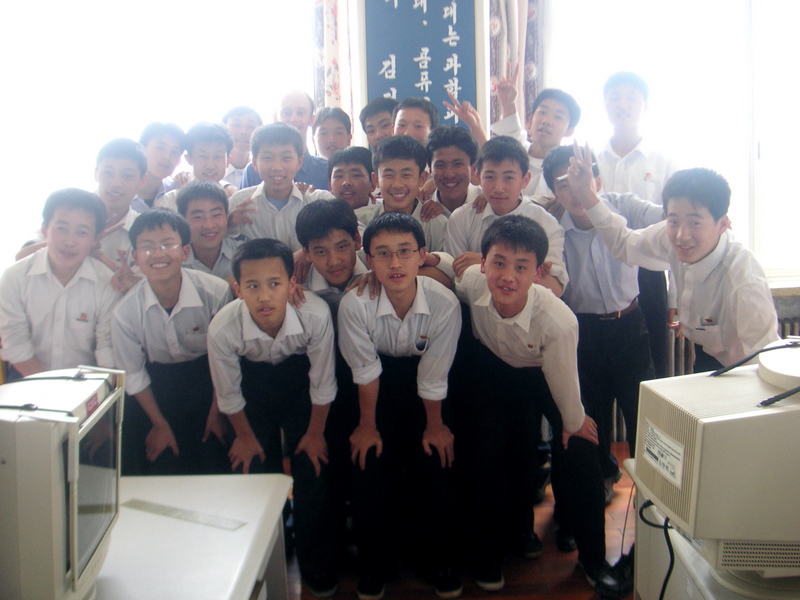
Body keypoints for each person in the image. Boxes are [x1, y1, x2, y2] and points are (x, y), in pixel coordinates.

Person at [434, 215, 626, 597]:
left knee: (580, 449)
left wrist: (574, 421)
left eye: (521, 267)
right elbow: (448, 263)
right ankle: (489, 552)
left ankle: (593, 560)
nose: (507, 277)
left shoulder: (558, 320)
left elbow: (564, 381)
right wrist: (431, 259)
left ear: (539, 273)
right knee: (487, 455)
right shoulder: (473, 281)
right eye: (498, 263)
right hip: (494, 373)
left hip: (545, 373)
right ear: (483, 264)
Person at [338, 212, 462, 600]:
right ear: (368, 260)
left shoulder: (444, 302)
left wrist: (434, 426)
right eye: (383, 253)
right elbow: (365, 370)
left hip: (428, 389)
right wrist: (368, 426)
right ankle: (375, 565)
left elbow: (434, 373)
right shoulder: (354, 304)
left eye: (405, 251)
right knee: (368, 462)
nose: (395, 263)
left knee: (437, 459)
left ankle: (439, 560)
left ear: (422, 255)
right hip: (374, 388)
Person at [570, 143, 780, 371]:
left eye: (694, 222)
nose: (682, 235)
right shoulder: (670, 236)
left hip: (744, 367)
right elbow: (624, 244)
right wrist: (587, 195)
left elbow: (765, 361)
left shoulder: (744, 280)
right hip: (705, 351)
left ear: (723, 224)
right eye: (673, 221)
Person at [207, 238, 338, 597]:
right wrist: (245, 437)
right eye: (252, 286)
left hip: (300, 386)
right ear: (237, 289)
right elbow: (228, 392)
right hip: (252, 388)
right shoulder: (223, 327)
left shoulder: (314, 314)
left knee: (313, 466)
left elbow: (322, 382)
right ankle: (269, 557)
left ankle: (316, 563)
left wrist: (315, 434)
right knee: (253, 471)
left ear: (292, 284)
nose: (264, 296)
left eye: (275, 283)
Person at [542, 145, 662, 504]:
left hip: (630, 327)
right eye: (564, 184)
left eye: (582, 178)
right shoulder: (552, 228)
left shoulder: (623, 206)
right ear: (554, 192)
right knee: (591, 416)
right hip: (583, 332)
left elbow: (667, 218)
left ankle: (655, 494)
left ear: (597, 179)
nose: (575, 191)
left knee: (644, 414)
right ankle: (601, 480)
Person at [112, 209, 231, 476]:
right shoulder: (125, 312)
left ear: (185, 252)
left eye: (168, 245)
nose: (158, 254)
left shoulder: (215, 292)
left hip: (210, 382)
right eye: (147, 247)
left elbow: (225, 358)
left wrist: (216, 412)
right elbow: (134, 374)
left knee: (215, 460)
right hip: (156, 389)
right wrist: (159, 424)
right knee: (161, 462)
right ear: (135, 257)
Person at [295, 199, 367, 567]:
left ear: (357, 240)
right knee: (324, 467)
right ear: (306, 253)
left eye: (342, 246)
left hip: (369, 385)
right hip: (317, 386)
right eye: (320, 251)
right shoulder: (296, 286)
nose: (334, 260)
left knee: (367, 466)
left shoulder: (380, 272)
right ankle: (325, 553)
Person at [597, 72, 679, 379]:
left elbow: (677, 230)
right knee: (600, 368)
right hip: (599, 271)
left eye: (631, 97)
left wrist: (677, 296)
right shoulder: (591, 160)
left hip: (649, 272)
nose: (623, 104)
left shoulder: (661, 162)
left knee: (654, 364)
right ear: (605, 104)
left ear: (645, 106)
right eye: (615, 97)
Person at [0, 189, 117, 379]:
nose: (70, 241)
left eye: (82, 232)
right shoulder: (14, 277)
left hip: (85, 381)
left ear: (96, 239)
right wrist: (52, 388)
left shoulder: (106, 282)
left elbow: (106, 349)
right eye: (61, 229)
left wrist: (101, 388)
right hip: (26, 376)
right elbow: (15, 345)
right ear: (45, 230)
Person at [445, 136, 568, 296]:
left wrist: (486, 262)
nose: (498, 188)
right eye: (490, 177)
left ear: (525, 180)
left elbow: (554, 287)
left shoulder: (546, 224)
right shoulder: (461, 218)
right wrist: (526, 270)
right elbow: (456, 280)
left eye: (508, 178)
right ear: (478, 176)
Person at [228, 122, 312, 251]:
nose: (277, 167)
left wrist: (305, 252)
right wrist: (230, 223)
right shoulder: (238, 203)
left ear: (299, 162)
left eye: (286, 158)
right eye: (267, 158)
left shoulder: (313, 201)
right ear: (255, 163)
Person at [356, 135, 448, 252]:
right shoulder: (360, 220)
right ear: (376, 179)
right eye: (389, 175)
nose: (397, 184)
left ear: (422, 178)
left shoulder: (437, 225)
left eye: (406, 175)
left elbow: (447, 263)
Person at [490, 86, 581, 199]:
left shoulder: (570, 168)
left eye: (558, 117)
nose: (546, 121)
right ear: (530, 120)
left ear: (569, 131)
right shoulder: (514, 153)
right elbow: (511, 130)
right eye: (542, 112)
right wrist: (508, 104)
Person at [239, 91, 329, 190]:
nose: (293, 119)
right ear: (275, 118)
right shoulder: (253, 171)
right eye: (286, 113)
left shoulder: (326, 170)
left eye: (300, 113)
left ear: (312, 119)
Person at [155, 122, 235, 212]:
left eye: (218, 156)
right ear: (189, 159)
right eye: (202, 156)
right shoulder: (168, 203)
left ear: (228, 161)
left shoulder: (235, 202)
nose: (210, 165)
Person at [176, 179, 240, 285]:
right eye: (198, 217)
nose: (209, 225)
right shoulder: (175, 262)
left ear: (227, 216)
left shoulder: (243, 255)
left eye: (216, 215)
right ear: (182, 220)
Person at [425, 125, 482, 216]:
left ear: (473, 169)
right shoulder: (422, 207)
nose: (449, 174)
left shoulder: (489, 202)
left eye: (457, 164)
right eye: (440, 165)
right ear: (430, 170)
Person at [307, 146, 377, 211]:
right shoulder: (320, 214)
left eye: (356, 175)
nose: (346, 183)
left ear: (373, 183)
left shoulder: (381, 212)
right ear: (330, 185)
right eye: (339, 176)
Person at [137, 122, 186, 209]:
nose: (167, 157)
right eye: (160, 148)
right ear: (142, 149)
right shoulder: (121, 189)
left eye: (174, 151)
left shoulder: (177, 191)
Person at [222, 106, 262, 188]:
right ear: (224, 128)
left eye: (250, 126)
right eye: (236, 125)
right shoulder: (212, 170)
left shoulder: (262, 173)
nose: (243, 132)